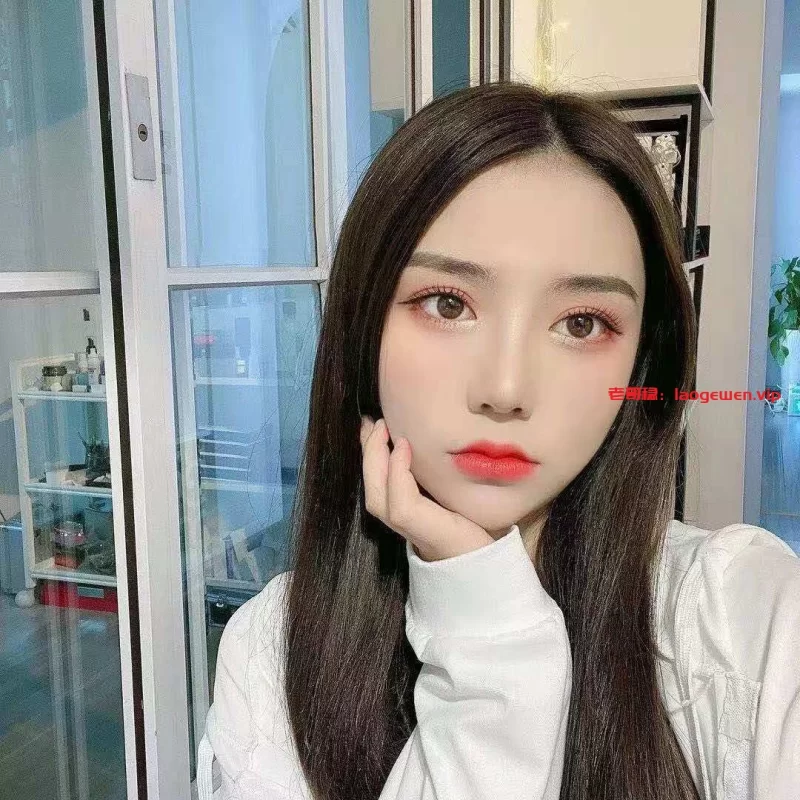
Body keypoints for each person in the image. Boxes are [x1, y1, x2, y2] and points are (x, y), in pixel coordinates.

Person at [195, 81, 800, 800]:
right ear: (364, 327)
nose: (506, 388)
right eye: (447, 304)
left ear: (643, 364)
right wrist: (488, 641)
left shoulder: (740, 619)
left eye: (581, 324)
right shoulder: (272, 653)